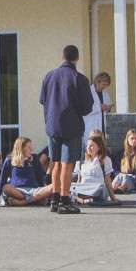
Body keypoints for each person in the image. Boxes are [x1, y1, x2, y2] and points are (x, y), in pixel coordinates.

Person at [37, 43, 95, 215]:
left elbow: (42, 100)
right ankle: (64, 199)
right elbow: (86, 108)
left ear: (62, 56)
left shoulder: (49, 76)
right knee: (67, 164)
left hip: (52, 125)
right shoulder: (79, 78)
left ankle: (54, 199)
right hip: (71, 126)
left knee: (54, 162)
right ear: (76, 58)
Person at [0, 136, 56, 206]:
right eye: (29, 147)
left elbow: (40, 176)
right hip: (17, 190)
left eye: (31, 147)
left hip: (33, 190)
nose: (32, 149)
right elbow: (2, 179)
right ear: (21, 148)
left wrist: (43, 190)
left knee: (54, 186)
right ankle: (33, 200)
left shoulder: (35, 158)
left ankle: (22, 202)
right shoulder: (9, 159)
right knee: (6, 187)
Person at [71, 131, 119, 205]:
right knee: (67, 186)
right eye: (88, 146)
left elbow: (107, 180)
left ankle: (79, 199)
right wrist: (76, 188)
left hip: (97, 189)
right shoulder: (81, 162)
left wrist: (113, 197)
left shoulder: (105, 160)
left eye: (92, 146)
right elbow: (79, 181)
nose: (89, 148)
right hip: (83, 188)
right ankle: (81, 200)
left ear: (99, 147)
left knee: (100, 188)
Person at [112, 128, 136, 194]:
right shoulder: (121, 153)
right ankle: (117, 188)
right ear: (127, 140)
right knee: (122, 176)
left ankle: (117, 189)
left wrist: (129, 175)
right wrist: (121, 174)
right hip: (121, 177)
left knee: (125, 176)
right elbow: (115, 169)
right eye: (132, 138)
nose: (134, 140)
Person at [88, 71, 114, 141]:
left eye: (106, 85)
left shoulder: (105, 93)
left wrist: (108, 108)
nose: (104, 87)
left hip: (103, 125)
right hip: (91, 125)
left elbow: (108, 106)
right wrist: (99, 107)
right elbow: (85, 109)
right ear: (98, 82)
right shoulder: (88, 92)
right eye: (103, 84)